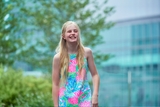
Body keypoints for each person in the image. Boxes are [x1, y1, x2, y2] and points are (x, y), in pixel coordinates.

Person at [52, 21, 100, 107]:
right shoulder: (58, 58)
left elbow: (95, 75)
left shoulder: (87, 52)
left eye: (75, 31)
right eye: (69, 31)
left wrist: (95, 95)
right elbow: (55, 83)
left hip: (84, 98)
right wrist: (56, 106)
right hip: (65, 101)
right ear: (63, 36)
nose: (73, 33)